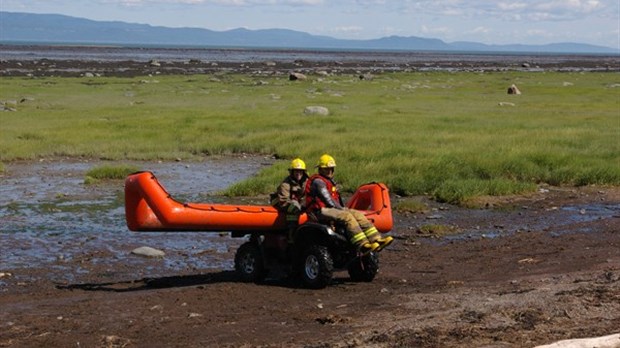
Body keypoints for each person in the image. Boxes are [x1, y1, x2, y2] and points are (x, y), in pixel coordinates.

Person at [304, 154, 393, 253]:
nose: (329, 171)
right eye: (326, 169)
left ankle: (376, 239)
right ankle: (362, 244)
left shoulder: (328, 181)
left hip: (331, 208)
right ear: (320, 169)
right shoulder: (318, 182)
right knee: (347, 217)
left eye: (331, 168)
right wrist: (342, 209)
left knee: (358, 215)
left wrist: (342, 208)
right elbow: (328, 200)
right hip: (320, 211)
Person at [271, 158, 309, 241]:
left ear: (303, 172)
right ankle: (290, 236)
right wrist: (297, 209)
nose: (298, 173)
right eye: (296, 171)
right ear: (292, 172)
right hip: (281, 202)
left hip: (297, 202)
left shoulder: (306, 181)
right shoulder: (285, 184)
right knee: (293, 210)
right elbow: (284, 201)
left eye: (300, 171)